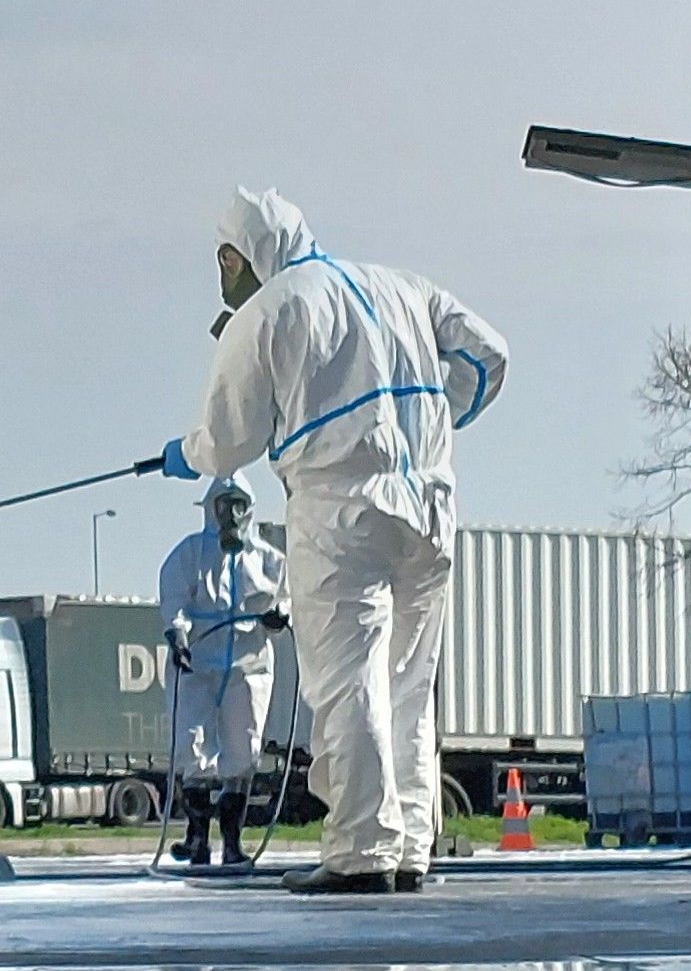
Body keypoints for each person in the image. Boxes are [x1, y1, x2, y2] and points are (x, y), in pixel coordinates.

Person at [160, 188, 507, 895]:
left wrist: (186, 453)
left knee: (348, 679)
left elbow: (230, 439)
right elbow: (488, 353)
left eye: (221, 262)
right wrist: (441, 418)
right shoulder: (400, 285)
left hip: (339, 509)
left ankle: (359, 849)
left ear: (238, 254)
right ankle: (410, 842)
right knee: (408, 681)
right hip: (429, 505)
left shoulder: (268, 310)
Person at [156, 475, 286, 868]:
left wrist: (280, 616)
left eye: (238, 505)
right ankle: (197, 839)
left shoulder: (268, 559)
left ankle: (232, 843)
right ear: (211, 508)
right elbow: (174, 598)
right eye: (223, 504)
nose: (231, 513)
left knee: (243, 749)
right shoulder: (190, 555)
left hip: (248, 665)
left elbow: (289, 595)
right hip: (197, 663)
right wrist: (176, 634)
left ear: (249, 508)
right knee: (192, 746)